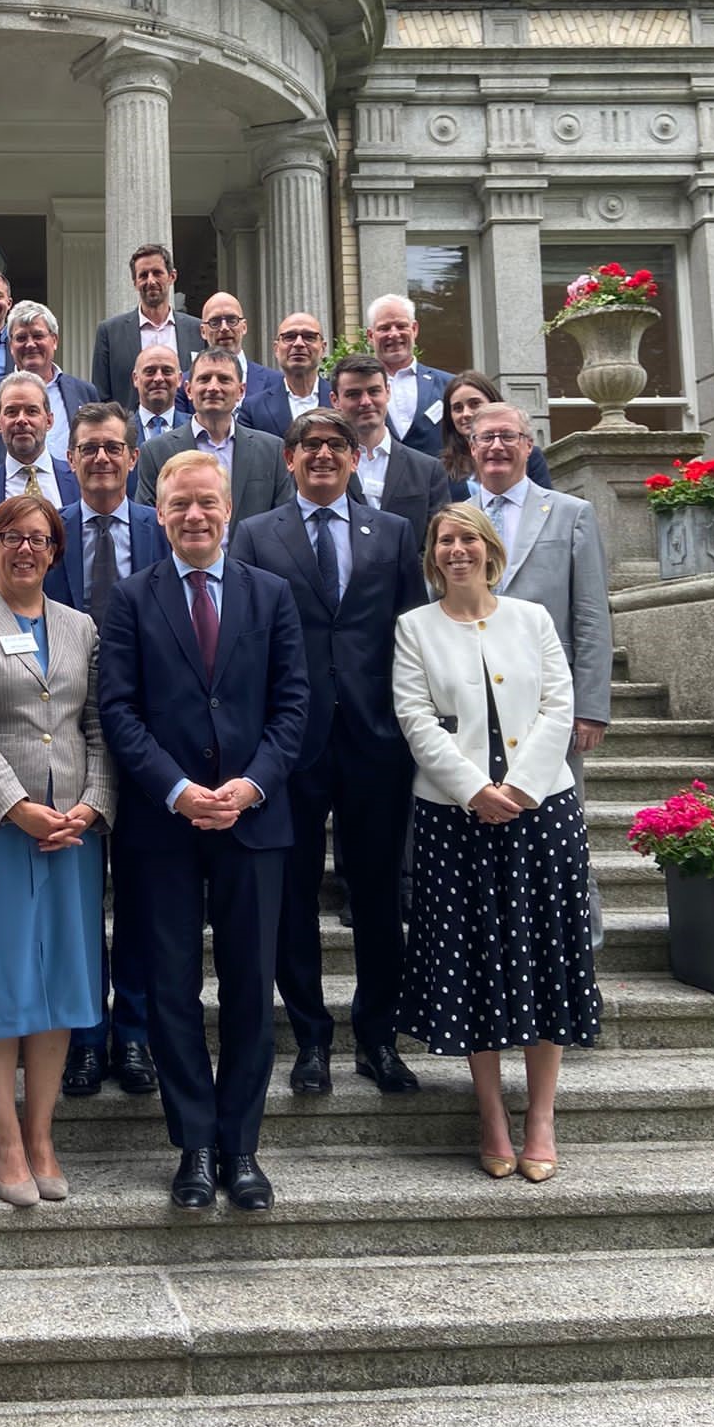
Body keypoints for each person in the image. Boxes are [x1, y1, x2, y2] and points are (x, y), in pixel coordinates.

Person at [99, 452, 309, 1212]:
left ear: (229, 509)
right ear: (158, 513)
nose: (193, 515)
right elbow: (118, 711)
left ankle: (242, 1145)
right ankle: (192, 1142)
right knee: (172, 990)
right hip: (166, 829)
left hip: (255, 825)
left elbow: (293, 704)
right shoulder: (130, 599)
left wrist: (251, 785)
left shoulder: (272, 594)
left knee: (252, 989)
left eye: (206, 503)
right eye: (179, 504)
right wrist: (180, 791)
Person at [394, 504, 600, 1182]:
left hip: (542, 813)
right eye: (445, 541)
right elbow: (416, 718)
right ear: (433, 555)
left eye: (468, 540)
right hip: (456, 820)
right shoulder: (413, 629)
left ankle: (540, 1115)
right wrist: (475, 790)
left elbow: (558, 706)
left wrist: (524, 789)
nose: (458, 551)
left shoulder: (532, 619)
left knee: (545, 957)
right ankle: (491, 1114)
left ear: (489, 550)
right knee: (474, 964)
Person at [231, 408, 428, 1097]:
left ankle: (378, 1036)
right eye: (309, 445)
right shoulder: (254, 535)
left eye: (335, 446)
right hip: (292, 743)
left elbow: (412, 635)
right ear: (289, 459)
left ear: (353, 457)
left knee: (377, 894)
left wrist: (413, 726)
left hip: (378, 740)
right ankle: (311, 1038)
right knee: (293, 896)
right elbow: (246, 641)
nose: (322, 455)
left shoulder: (395, 533)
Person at [0, 494, 116, 1206]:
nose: (26, 549)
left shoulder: (82, 628)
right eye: (12, 537)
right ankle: (4, 1136)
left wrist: (93, 806)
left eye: (40, 538)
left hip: (71, 829)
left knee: (59, 985)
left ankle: (42, 1134)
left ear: (56, 550)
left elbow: (98, 727)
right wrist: (17, 807)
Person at [46, 401, 164, 1100]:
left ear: (131, 458)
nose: (99, 459)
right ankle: (86, 1038)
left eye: (111, 448)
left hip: (149, 741)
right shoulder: (46, 532)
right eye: (87, 449)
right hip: (64, 741)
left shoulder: (161, 529)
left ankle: (138, 1035)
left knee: (144, 900)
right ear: (71, 458)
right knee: (80, 902)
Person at [468, 403, 612, 781]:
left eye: (508, 436)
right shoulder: (453, 519)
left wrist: (591, 707)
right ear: (472, 448)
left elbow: (592, 614)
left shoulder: (572, 514)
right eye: (486, 437)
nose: (496, 446)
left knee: (554, 811)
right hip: (470, 689)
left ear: (528, 446)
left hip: (548, 696)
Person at [136, 350, 292, 530]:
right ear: (188, 390)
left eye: (224, 379)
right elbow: (149, 525)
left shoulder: (271, 451)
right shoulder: (156, 451)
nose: (213, 387)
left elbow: (283, 521)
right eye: (204, 379)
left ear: (241, 391)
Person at [0, 300, 96, 480]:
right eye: (21, 338)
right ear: (11, 346)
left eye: (38, 336)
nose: (30, 344)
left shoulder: (84, 393)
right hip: (7, 501)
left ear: (54, 340)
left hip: (69, 499)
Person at [330, 353, 450, 544]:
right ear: (335, 400)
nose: (366, 402)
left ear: (387, 392)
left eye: (374, 391)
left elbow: (437, 544)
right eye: (354, 394)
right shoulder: (324, 467)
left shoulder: (428, 471)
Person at [0, 372, 78, 551]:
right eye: (11, 412)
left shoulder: (79, 481)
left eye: (32, 411)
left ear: (49, 421)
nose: (21, 420)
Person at [90, 241, 206, 409]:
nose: (150, 281)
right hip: (130, 432)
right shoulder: (109, 332)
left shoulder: (197, 330)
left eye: (157, 273)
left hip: (187, 431)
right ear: (135, 282)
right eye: (143, 275)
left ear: (172, 276)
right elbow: (101, 396)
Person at [366, 292, 453, 460]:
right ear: (370, 336)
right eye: (384, 328)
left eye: (401, 326)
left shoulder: (449, 385)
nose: (394, 334)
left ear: (414, 329)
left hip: (440, 484)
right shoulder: (357, 393)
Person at [441, 370, 553, 498]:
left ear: (494, 403)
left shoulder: (529, 455)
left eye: (475, 404)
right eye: (457, 408)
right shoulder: (439, 468)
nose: (466, 413)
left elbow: (546, 504)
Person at [240, 315, 334, 437]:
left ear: (323, 347)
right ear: (276, 349)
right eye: (289, 337)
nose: (299, 344)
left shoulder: (342, 402)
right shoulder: (253, 408)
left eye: (309, 337)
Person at [198, 291, 277, 398]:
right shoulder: (184, 385)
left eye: (232, 320)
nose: (224, 328)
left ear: (244, 327)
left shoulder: (275, 382)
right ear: (203, 331)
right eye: (215, 322)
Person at [131, 346, 189, 448]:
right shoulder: (120, 430)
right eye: (150, 371)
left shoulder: (194, 428)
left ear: (180, 379)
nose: (159, 378)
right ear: (136, 379)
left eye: (167, 371)